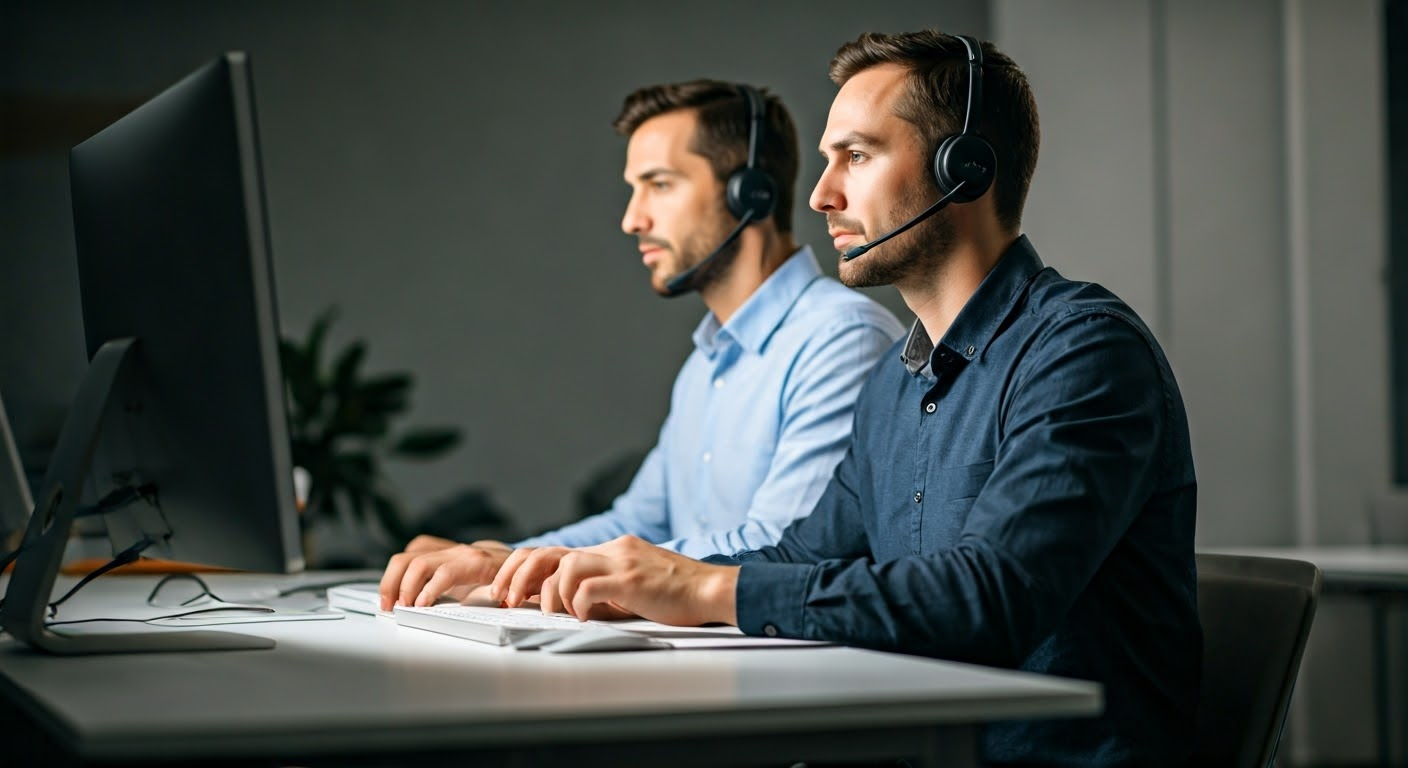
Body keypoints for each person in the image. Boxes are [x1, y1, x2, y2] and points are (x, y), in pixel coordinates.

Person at [488, 31, 1201, 767]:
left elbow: (988, 598)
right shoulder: (895, 382)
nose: (823, 195)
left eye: (856, 157)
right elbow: (803, 556)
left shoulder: (1082, 352)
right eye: (828, 161)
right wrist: (620, 587)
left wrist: (701, 586)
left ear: (966, 170)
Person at [379, 80, 904, 611]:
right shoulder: (707, 364)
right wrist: (501, 562)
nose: (633, 219)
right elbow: (637, 522)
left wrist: (528, 569)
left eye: (659, 184)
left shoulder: (842, 340)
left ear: (751, 193)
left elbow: (782, 550)